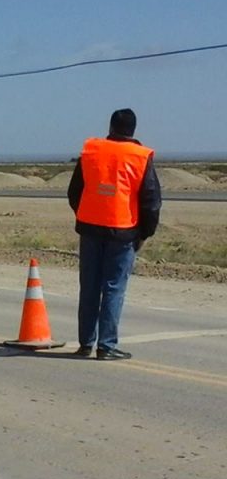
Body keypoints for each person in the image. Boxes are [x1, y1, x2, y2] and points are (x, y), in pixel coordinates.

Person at [68, 108, 162, 360]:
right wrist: (144, 233)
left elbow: (74, 191)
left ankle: (86, 344)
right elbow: (151, 201)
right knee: (113, 288)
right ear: (133, 130)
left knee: (89, 287)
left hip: (90, 229)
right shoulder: (140, 157)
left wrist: (86, 214)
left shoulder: (91, 151)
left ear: (110, 127)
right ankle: (106, 346)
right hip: (123, 232)